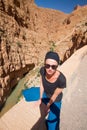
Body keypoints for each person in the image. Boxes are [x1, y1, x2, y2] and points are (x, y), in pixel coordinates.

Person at [38, 51, 66, 130]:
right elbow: (42, 85)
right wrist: (40, 98)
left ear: (57, 66)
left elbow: (55, 95)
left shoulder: (62, 80)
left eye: (53, 67)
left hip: (55, 99)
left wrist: (48, 105)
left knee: (52, 121)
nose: (50, 69)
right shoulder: (42, 70)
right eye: (47, 65)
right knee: (43, 114)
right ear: (44, 64)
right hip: (45, 95)